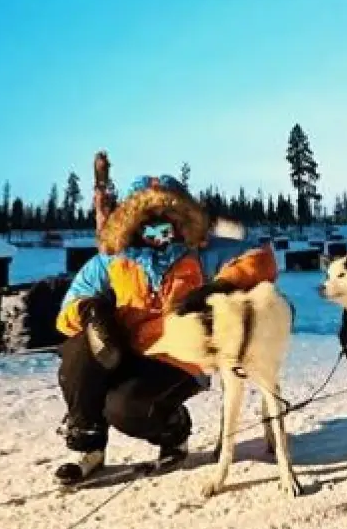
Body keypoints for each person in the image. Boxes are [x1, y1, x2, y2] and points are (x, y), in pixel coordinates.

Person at [54, 174, 276, 486]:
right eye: (148, 222)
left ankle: (173, 430)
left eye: (168, 220)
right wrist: (90, 310)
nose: (159, 231)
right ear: (130, 223)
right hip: (123, 349)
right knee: (79, 352)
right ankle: (87, 445)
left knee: (124, 409)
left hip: (178, 355)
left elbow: (261, 258)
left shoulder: (203, 253)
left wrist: (223, 283)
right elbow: (68, 308)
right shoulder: (110, 261)